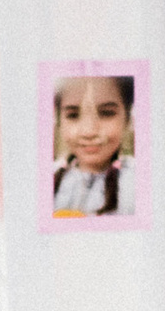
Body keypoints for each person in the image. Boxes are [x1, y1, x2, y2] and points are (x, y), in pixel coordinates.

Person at [50, 72, 134, 221]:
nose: (89, 132)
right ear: (59, 122)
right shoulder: (46, 177)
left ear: (128, 119)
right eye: (73, 115)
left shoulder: (139, 183)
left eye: (106, 113)